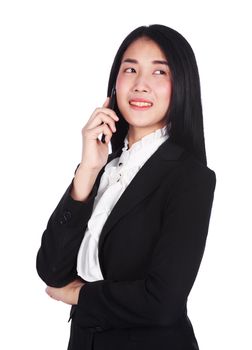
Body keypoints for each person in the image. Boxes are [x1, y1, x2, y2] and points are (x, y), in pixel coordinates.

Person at [36, 24, 216, 350]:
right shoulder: (103, 168)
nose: (140, 84)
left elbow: (163, 301)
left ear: (182, 86)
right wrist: (87, 171)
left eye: (159, 72)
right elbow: (50, 269)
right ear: (114, 85)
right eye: (130, 69)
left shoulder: (190, 177)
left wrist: (79, 294)